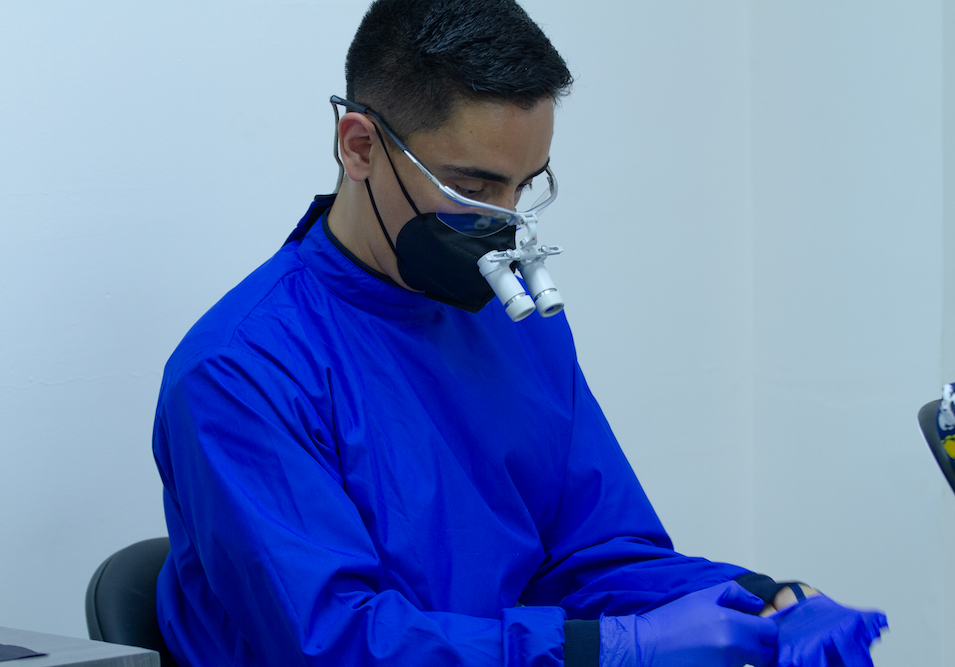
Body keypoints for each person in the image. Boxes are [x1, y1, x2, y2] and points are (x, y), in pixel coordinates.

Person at [151, 1, 886, 665]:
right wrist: (612, 650)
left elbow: (593, 552)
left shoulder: (512, 324)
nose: (506, 223)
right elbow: (337, 641)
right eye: (471, 189)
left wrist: (758, 599)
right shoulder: (240, 374)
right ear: (360, 146)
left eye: (525, 185)